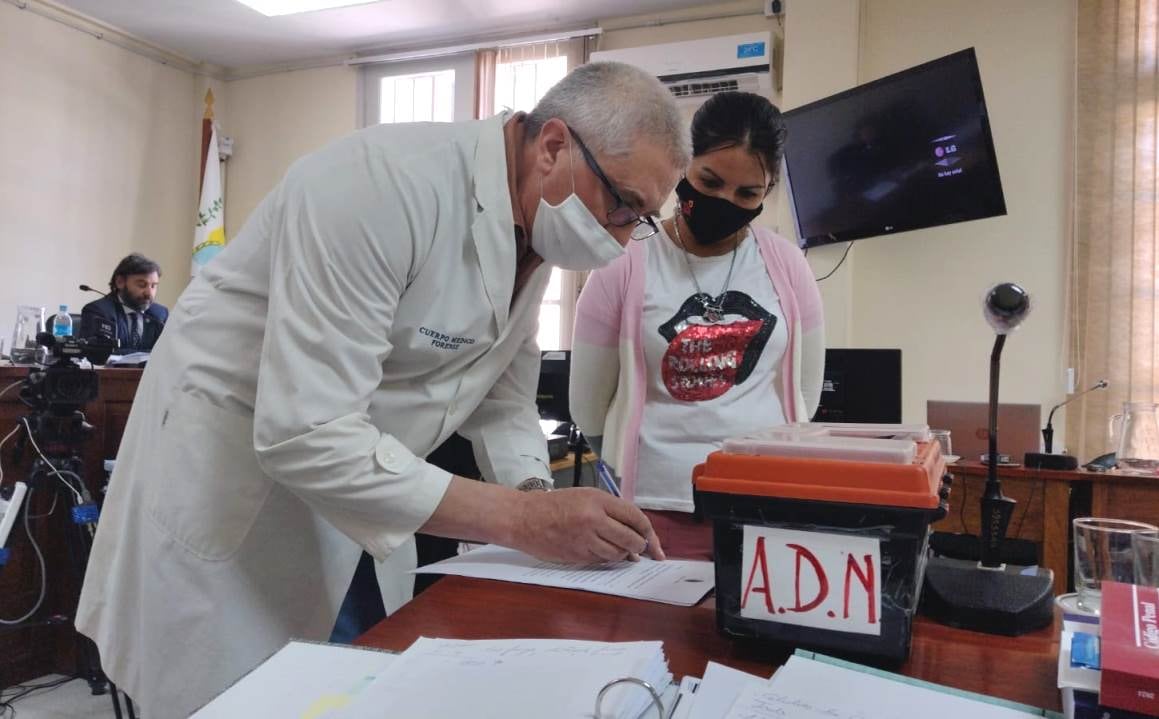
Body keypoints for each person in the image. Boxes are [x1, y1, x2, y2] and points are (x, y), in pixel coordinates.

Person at [75, 62, 690, 716]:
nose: (623, 238)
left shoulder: (534, 226)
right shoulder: (377, 185)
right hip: (236, 483)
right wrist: (523, 520)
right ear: (553, 146)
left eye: (641, 218)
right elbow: (305, 433)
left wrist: (537, 494)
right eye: (622, 204)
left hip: (355, 487)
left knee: (343, 682)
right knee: (229, 698)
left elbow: (502, 397)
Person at [570, 91, 825, 560]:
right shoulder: (623, 261)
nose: (725, 201)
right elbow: (588, 406)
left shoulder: (787, 264)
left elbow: (803, 392)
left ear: (766, 193)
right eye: (710, 181)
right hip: (652, 510)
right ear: (684, 164)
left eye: (747, 193)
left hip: (763, 505)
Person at [80, 253, 168, 351]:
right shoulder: (99, 311)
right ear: (120, 282)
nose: (149, 293)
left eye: (153, 286)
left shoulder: (160, 315)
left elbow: (167, 352)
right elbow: (97, 353)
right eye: (142, 285)